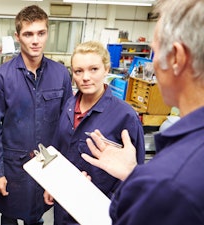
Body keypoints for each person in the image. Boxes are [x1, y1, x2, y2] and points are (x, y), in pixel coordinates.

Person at [82, 0, 204, 224]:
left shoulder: (167, 183)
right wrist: (132, 173)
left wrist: (136, 186)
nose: (153, 65)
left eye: (155, 52)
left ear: (176, 58)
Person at [0, 5, 73, 225]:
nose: (35, 40)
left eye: (41, 33)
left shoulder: (60, 74)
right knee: (10, 215)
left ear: (47, 33)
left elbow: (67, 124)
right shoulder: (1, 77)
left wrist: (66, 170)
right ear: (17, 36)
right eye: (28, 34)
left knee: (38, 214)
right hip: (14, 166)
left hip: (49, 163)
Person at [43, 41, 145, 225]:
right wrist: (53, 184)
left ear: (106, 69)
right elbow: (59, 150)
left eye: (94, 69)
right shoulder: (68, 106)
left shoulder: (125, 116)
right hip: (65, 203)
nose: (85, 77)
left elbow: (135, 174)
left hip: (98, 210)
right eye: (78, 71)